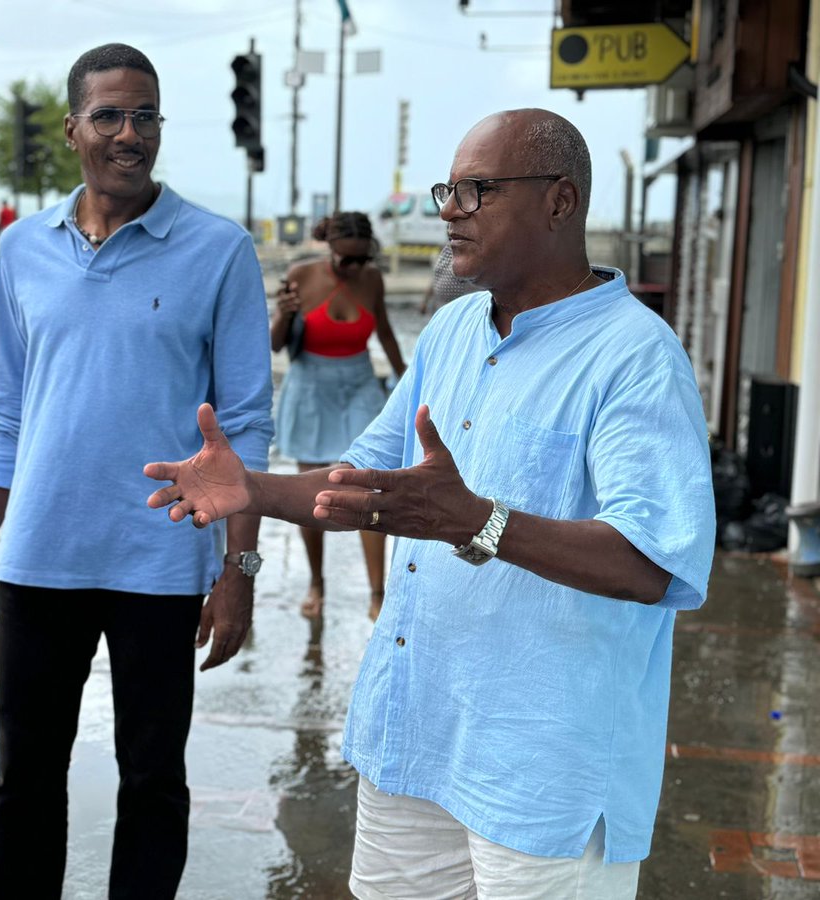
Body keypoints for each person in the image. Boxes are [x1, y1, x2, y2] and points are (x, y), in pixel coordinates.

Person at [145, 108, 715, 899]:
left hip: (542, 772)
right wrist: (254, 489)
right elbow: (362, 484)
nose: (450, 208)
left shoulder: (635, 356)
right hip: (417, 738)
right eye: (450, 189)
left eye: (479, 190)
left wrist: (479, 520)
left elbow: (652, 563)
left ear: (560, 202)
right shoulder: (452, 333)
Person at [0, 43, 273, 899]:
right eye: (108, 116)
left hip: (160, 563)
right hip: (40, 560)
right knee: (23, 783)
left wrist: (238, 571)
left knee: (154, 783)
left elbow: (245, 428)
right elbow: (11, 412)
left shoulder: (220, 250)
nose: (129, 135)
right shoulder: (22, 251)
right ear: (72, 130)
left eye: (145, 116)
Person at [270, 212, 406, 621]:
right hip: (311, 386)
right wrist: (285, 314)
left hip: (359, 384)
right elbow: (276, 344)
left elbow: (384, 333)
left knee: (371, 490)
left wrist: (409, 381)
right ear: (329, 248)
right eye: (346, 259)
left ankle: (377, 593)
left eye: (361, 259)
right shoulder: (301, 275)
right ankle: (317, 582)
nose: (354, 268)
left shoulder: (372, 280)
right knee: (311, 493)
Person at [421, 240, 473, 315]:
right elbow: (435, 279)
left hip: (460, 308)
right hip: (439, 306)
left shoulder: (469, 253)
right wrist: (425, 301)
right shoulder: (445, 252)